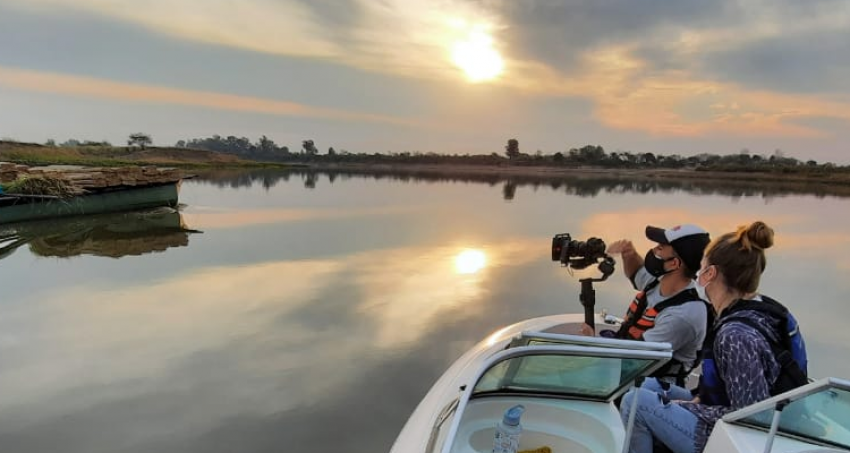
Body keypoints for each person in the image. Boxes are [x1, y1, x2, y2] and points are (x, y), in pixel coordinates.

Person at [619, 221, 809, 453]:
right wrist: (695, 402)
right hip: (730, 418)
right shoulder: (762, 309)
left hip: (733, 438)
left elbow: (751, 416)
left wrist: (691, 408)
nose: (697, 273)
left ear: (710, 273)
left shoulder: (735, 335)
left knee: (635, 403)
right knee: (642, 385)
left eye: (702, 266)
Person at [596, 224, 711, 386]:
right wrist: (628, 253)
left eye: (660, 248)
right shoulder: (659, 283)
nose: (653, 252)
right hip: (625, 373)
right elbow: (637, 274)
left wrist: (591, 345)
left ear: (673, 264)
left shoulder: (683, 315)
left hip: (649, 391)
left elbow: (633, 361)